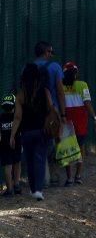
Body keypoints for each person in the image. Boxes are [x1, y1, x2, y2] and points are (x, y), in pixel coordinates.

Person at [10, 64, 54, 201]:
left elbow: (17, 117)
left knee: (29, 162)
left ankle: (33, 188)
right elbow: (51, 109)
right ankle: (39, 190)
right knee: (40, 159)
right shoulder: (45, 91)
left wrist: (12, 135)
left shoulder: (21, 94)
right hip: (42, 131)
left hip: (26, 133)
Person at [61, 62, 96, 186]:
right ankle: (78, 175)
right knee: (80, 147)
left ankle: (69, 178)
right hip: (81, 122)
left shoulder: (60, 85)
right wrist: (95, 118)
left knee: (67, 149)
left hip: (66, 121)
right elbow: (87, 103)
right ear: (76, 73)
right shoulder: (82, 85)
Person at [33, 41, 66, 186]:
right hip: (52, 110)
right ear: (46, 52)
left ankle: (41, 177)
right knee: (54, 141)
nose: (52, 55)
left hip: (32, 111)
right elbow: (60, 91)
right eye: (51, 52)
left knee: (37, 143)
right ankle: (54, 176)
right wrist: (63, 114)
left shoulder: (28, 67)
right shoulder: (55, 67)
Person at [0, 93, 22, 196]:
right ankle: (17, 185)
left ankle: (9, 189)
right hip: (16, 143)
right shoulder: (16, 117)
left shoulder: (1, 118)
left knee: (8, 166)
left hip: (4, 144)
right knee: (17, 162)